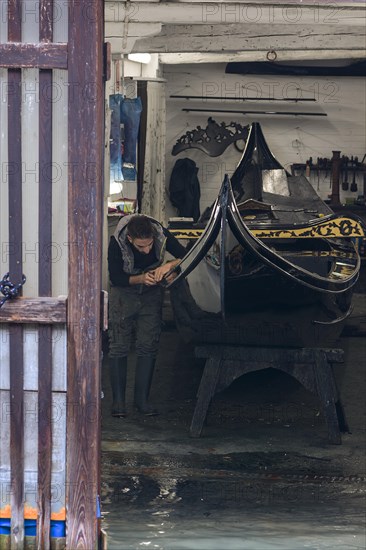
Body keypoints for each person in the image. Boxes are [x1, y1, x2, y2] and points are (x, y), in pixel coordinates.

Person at [107, 213, 186, 417]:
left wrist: (168, 266)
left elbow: (185, 254)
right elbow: (116, 276)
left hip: (151, 294)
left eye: (150, 244)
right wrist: (141, 278)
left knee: (148, 344)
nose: (147, 250)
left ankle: (142, 402)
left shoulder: (160, 233)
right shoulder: (116, 242)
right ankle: (118, 404)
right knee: (118, 345)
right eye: (141, 247)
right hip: (123, 294)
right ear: (130, 240)